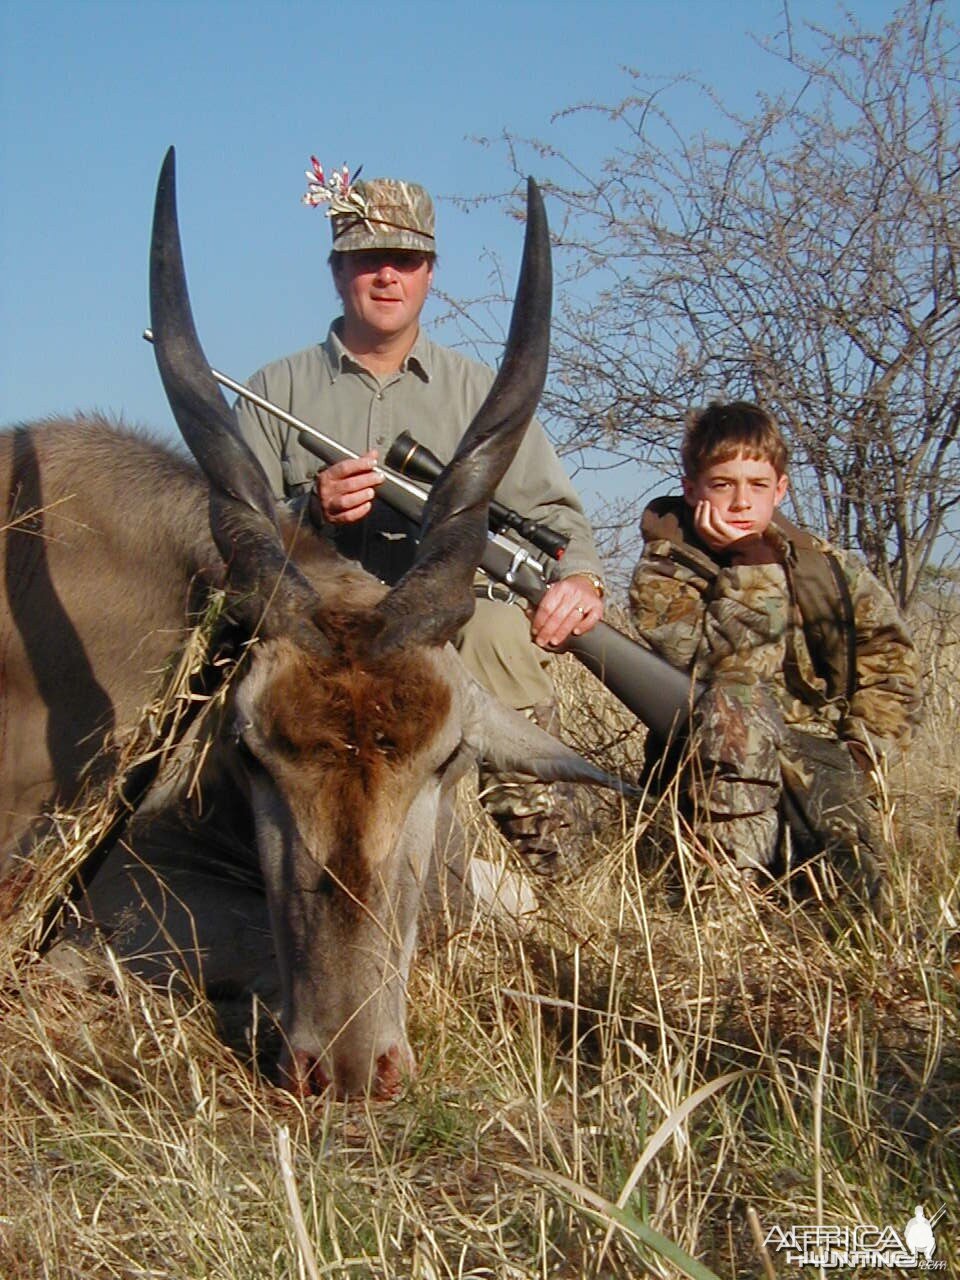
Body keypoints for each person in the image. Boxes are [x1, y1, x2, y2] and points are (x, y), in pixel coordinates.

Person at [233, 160, 607, 877]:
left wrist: (581, 581)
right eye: (366, 259)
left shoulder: (480, 392)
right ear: (338, 271)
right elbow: (229, 528)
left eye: (403, 260)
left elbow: (558, 522)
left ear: (430, 272)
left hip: (436, 626)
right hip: (312, 632)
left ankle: (551, 864)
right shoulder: (272, 390)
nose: (385, 276)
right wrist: (306, 510)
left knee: (498, 629)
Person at [628, 400, 921, 905]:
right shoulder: (663, 576)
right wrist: (751, 564)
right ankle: (723, 899)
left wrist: (859, 758)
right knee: (736, 702)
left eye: (757, 485)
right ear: (691, 488)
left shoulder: (828, 569)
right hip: (708, 766)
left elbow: (891, 667)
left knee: (858, 906)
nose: (741, 502)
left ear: (780, 490)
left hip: (815, 758)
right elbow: (739, 672)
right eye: (723, 484)